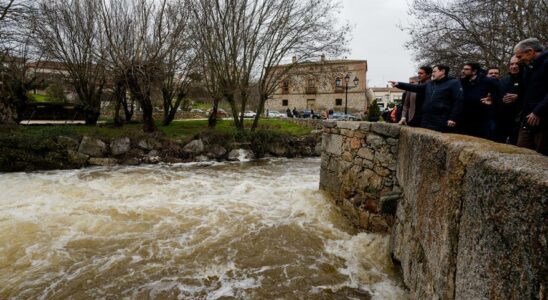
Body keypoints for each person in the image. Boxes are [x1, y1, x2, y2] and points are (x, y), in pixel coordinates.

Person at [390, 64, 463, 132]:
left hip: (441, 120)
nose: (432, 74)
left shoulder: (454, 83)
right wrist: (398, 84)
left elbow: (458, 101)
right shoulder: (431, 84)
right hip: (426, 119)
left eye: (434, 71)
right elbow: (415, 87)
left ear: (442, 71)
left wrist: (452, 118)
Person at [514, 38, 548, 155]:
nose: (518, 61)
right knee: (521, 153)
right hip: (527, 118)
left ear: (530, 51)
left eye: (519, 57)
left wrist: (538, 111)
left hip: (543, 119)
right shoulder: (529, 67)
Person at [458, 62, 501, 140]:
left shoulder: (488, 81)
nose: (463, 71)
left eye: (467, 69)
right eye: (463, 69)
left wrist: (492, 100)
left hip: (484, 118)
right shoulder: (462, 82)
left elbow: (500, 94)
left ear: (474, 71)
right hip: (466, 118)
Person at [495, 56, 522, 144]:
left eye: (517, 64)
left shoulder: (528, 78)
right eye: (511, 64)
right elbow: (497, 97)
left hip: (520, 121)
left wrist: (518, 97)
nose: (514, 66)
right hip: (502, 121)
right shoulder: (503, 80)